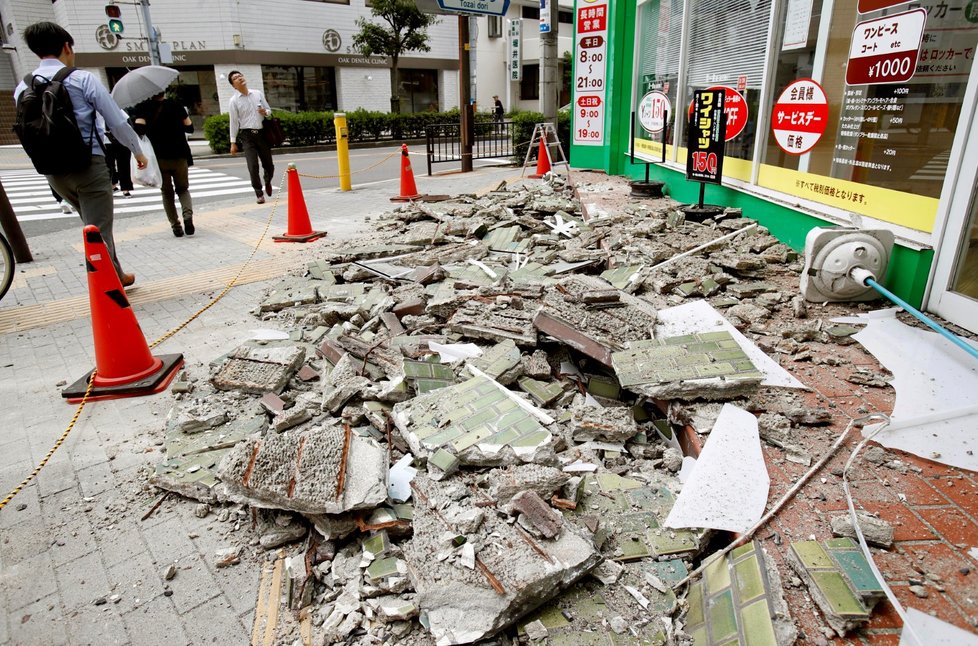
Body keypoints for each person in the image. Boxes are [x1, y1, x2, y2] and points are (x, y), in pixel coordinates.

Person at [14, 22, 147, 287]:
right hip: (88, 166)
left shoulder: (23, 87)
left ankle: (116, 276)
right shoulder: (81, 78)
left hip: (53, 172)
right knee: (98, 232)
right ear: (66, 47)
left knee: (93, 227)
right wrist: (138, 152)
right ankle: (106, 292)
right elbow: (117, 122)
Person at [134, 93, 195, 237]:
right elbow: (190, 128)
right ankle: (188, 217)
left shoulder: (143, 108)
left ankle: (176, 226)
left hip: (158, 158)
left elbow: (139, 130)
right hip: (179, 155)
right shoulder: (176, 105)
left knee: (167, 193)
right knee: (183, 189)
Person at [227, 70, 274, 204]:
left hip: (261, 133)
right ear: (234, 85)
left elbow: (269, 111)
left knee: (269, 165)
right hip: (247, 136)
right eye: (236, 78)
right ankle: (259, 193)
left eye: (240, 75)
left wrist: (265, 112)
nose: (239, 78)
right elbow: (234, 122)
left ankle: (267, 180)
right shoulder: (234, 101)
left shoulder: (257, 94)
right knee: (252, 166)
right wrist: (233, 142)